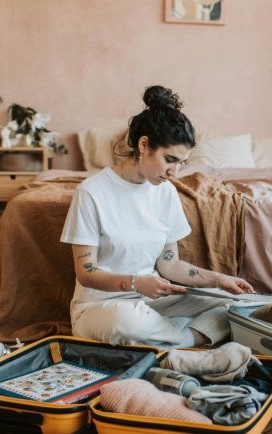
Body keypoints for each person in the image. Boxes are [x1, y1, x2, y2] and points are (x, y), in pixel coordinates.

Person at [60, 85, 254, 348]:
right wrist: (135, 283)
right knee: (127, 323)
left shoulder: (166, 193)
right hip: (102, 305)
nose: (175, 171)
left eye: (182, 163)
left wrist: (220, 280)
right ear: (144, 145)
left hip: (151, 303)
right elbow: (86, 272)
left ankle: (165, 339)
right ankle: (188, 339)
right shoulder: (91, 192)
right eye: (170, 159)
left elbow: (170, 265)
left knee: (233, 306)